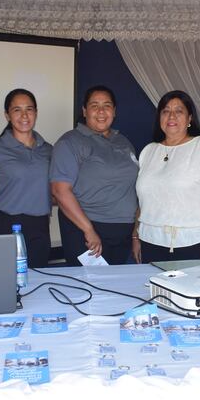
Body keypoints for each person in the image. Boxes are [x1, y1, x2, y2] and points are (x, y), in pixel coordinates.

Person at [133, 90, 200, 263]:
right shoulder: (148, 151)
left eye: (179, 111)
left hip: (192, 244)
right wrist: (136, 235)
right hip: (149, 242)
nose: (171, 116)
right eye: (165, 111)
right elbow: (144, 200)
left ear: (189, 118)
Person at [50, 85, 139, 265]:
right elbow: (60, 191)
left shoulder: (124, 142)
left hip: (122, 235)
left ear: (114, 111)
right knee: (90, 290)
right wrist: (89, 230)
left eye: (107, 105)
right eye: (94, 105)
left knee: (116, 289)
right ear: (84, 110)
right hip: (87, 234)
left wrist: (135, 232)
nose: (101, 111)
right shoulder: (70, 142)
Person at [0, 89, 53, 267]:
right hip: (5, 224)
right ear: (7, 115)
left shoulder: (48, 150)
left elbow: (56, 187)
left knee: (38, 280)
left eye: (29, 109)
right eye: (17, 110)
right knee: (2, 281)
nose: (24, 115)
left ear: (36, 113)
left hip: (39, 225)